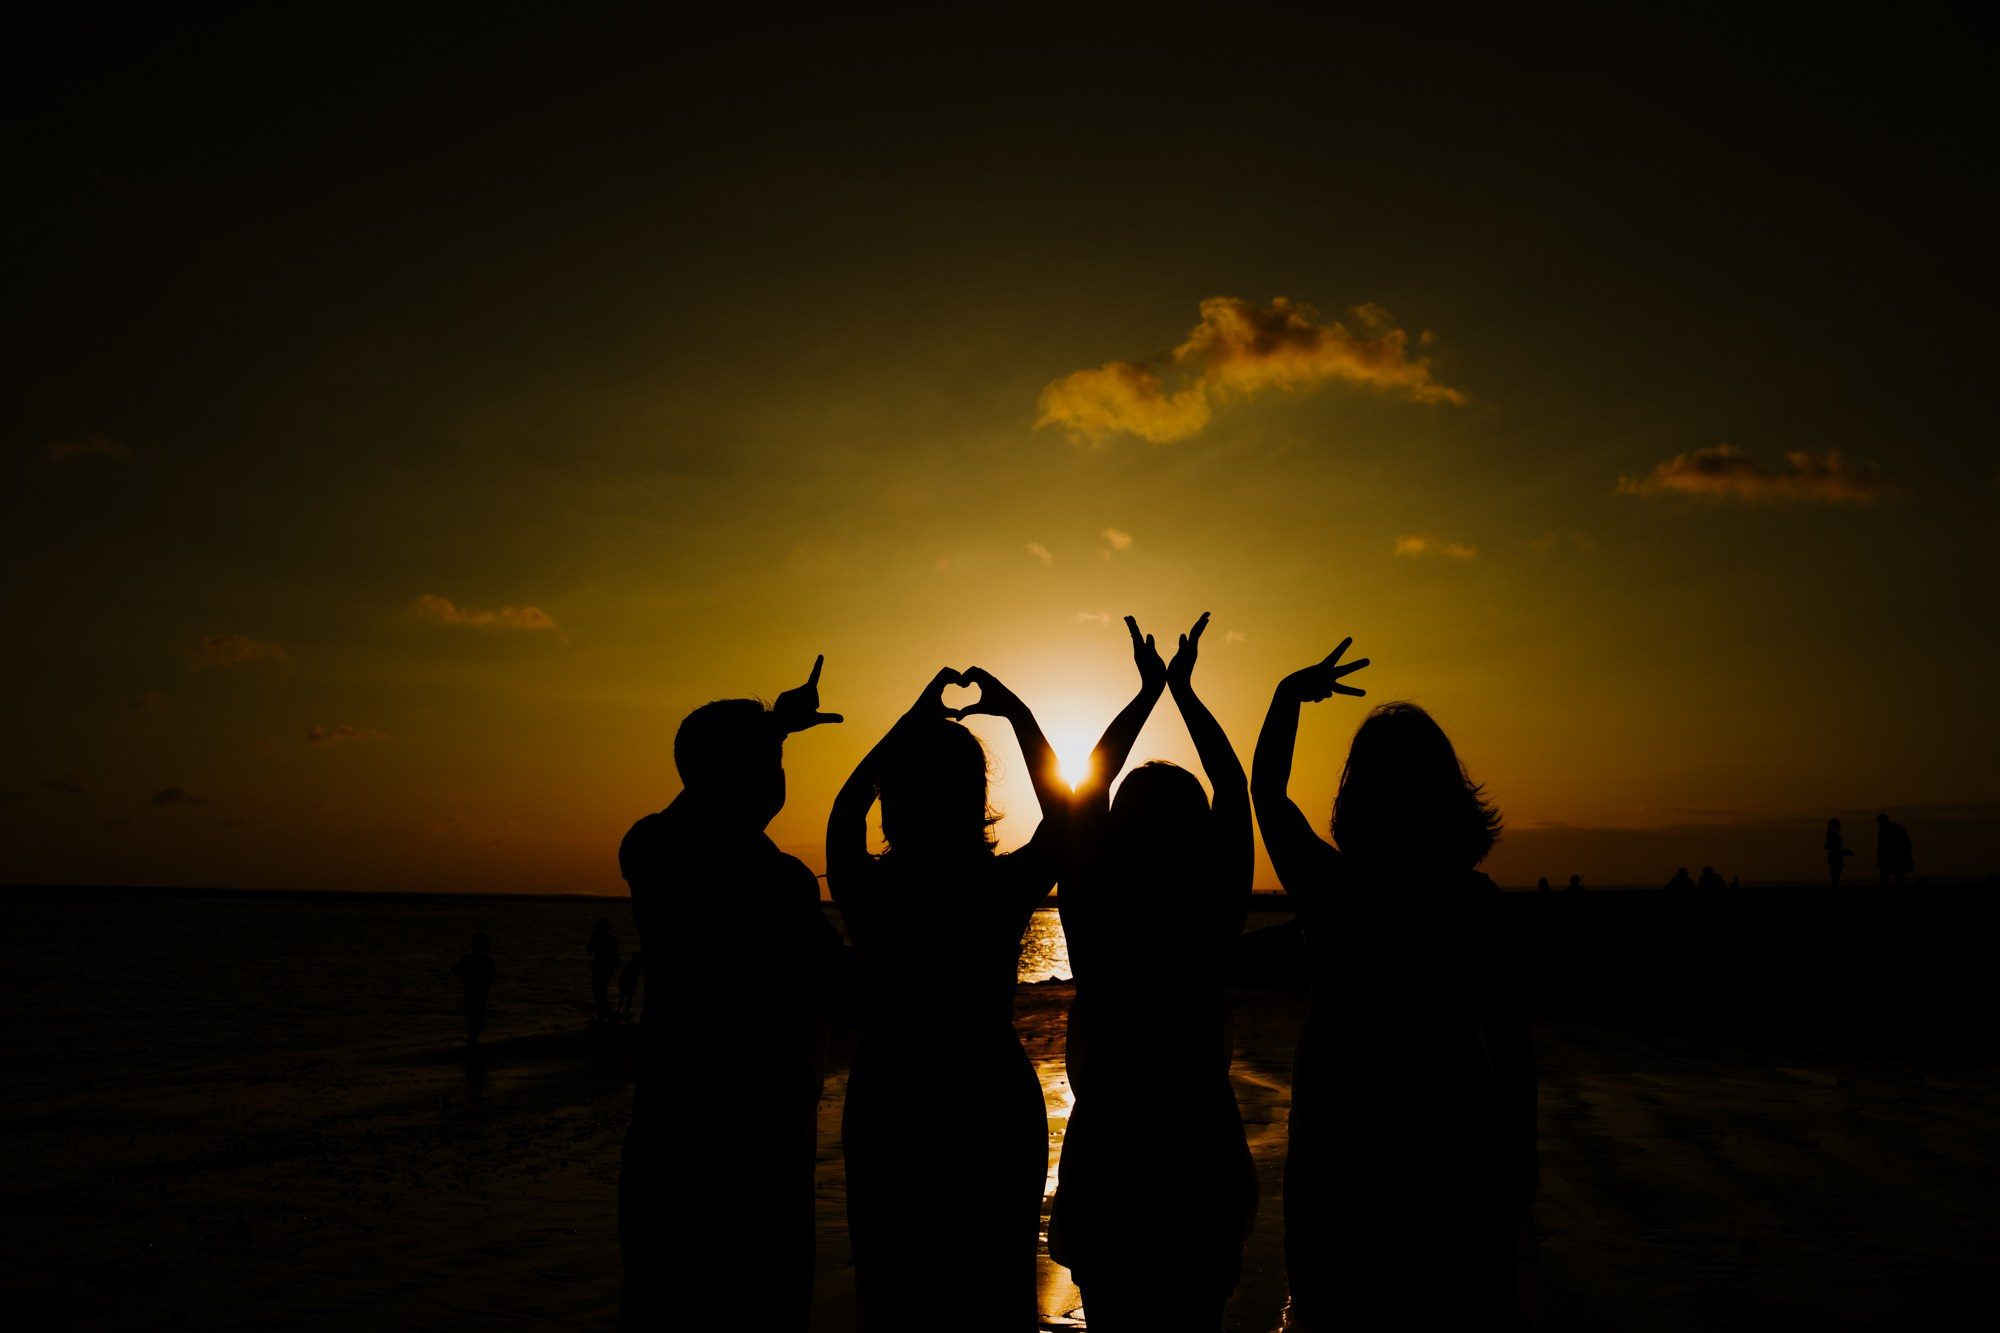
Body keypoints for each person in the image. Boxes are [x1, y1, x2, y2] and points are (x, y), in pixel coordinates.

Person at [1251, 640, 1534, 1331]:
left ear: (1357, 796)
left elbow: (1267, 794)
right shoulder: (1476, 903)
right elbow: (1512, 1048)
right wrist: (1523, 1153)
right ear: (1449, 795)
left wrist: (1288, 697)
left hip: (1342, 1157)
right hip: (1455, 1144)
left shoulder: (1334, 889)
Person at [826, 665, 1066, 1332]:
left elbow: (844, 813)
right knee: (996, 1288)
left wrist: (911, 718)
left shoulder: (869, 888)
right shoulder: (1001, 886)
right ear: (976, 796)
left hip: (892, 1099)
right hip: (990, 1097)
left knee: (894, 1287)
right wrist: (1013, 709)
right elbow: (1064, 815)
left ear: (892, 799)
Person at [616, 655, 848, 1331]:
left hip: (669, 1140)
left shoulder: (653, 848)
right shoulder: (780, 882)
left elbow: (695, 795)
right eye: (772, 764)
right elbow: (847, 989)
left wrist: (771, 728)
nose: (781, 775)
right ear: (750, 777)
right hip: (760, 1156)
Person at [1049, 615, 1256, 1331]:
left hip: (1113, 1158)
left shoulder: (1095, 913)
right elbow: (1234, 795)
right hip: (1199, 1155)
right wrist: (1183, 693)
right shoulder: (1211, 916)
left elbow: (1086, 795)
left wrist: (1148, 694)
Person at [450, 932, 497, 1047]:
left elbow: (459, 971)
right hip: (480, 991)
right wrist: (487, 984)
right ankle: (472, 1040)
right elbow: (493, 974)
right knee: (478, 1017)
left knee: (472, 1016)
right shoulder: (487, 959)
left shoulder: (468, 958)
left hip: (470, 991)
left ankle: (471, 1040)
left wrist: (455, 969)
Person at [586, 919, 621, 1024]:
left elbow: (588, 950)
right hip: (608, 966)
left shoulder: (595, 937)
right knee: (601, 992)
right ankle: (606, 1014)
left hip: (599, 965)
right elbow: (614, 954)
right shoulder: (612, 939)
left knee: (598, 992)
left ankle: (605, 1014)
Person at [1875, 813, 1914, 887]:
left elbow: (1881, 846)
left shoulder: (1883, 831)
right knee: (1898, 875)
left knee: (1889, 875)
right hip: (1895, 856)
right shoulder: (1897, 828)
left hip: (1893, 856)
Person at [1825, 818, 1852, 888]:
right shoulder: (1833, 835)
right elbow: (1835, 847)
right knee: (1835, 876)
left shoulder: (1831, 834)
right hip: (1835, 857)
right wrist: (1845, 851)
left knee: (1835, 876)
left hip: (1835, 856)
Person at [617, 950, 644, 1019]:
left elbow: (624, 974)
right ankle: (623, 1010)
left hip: (627, 981)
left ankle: (621, 1010)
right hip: (629, 981)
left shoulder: (633, 964)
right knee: (627, 997)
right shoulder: (636, 965)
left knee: (624, 996)